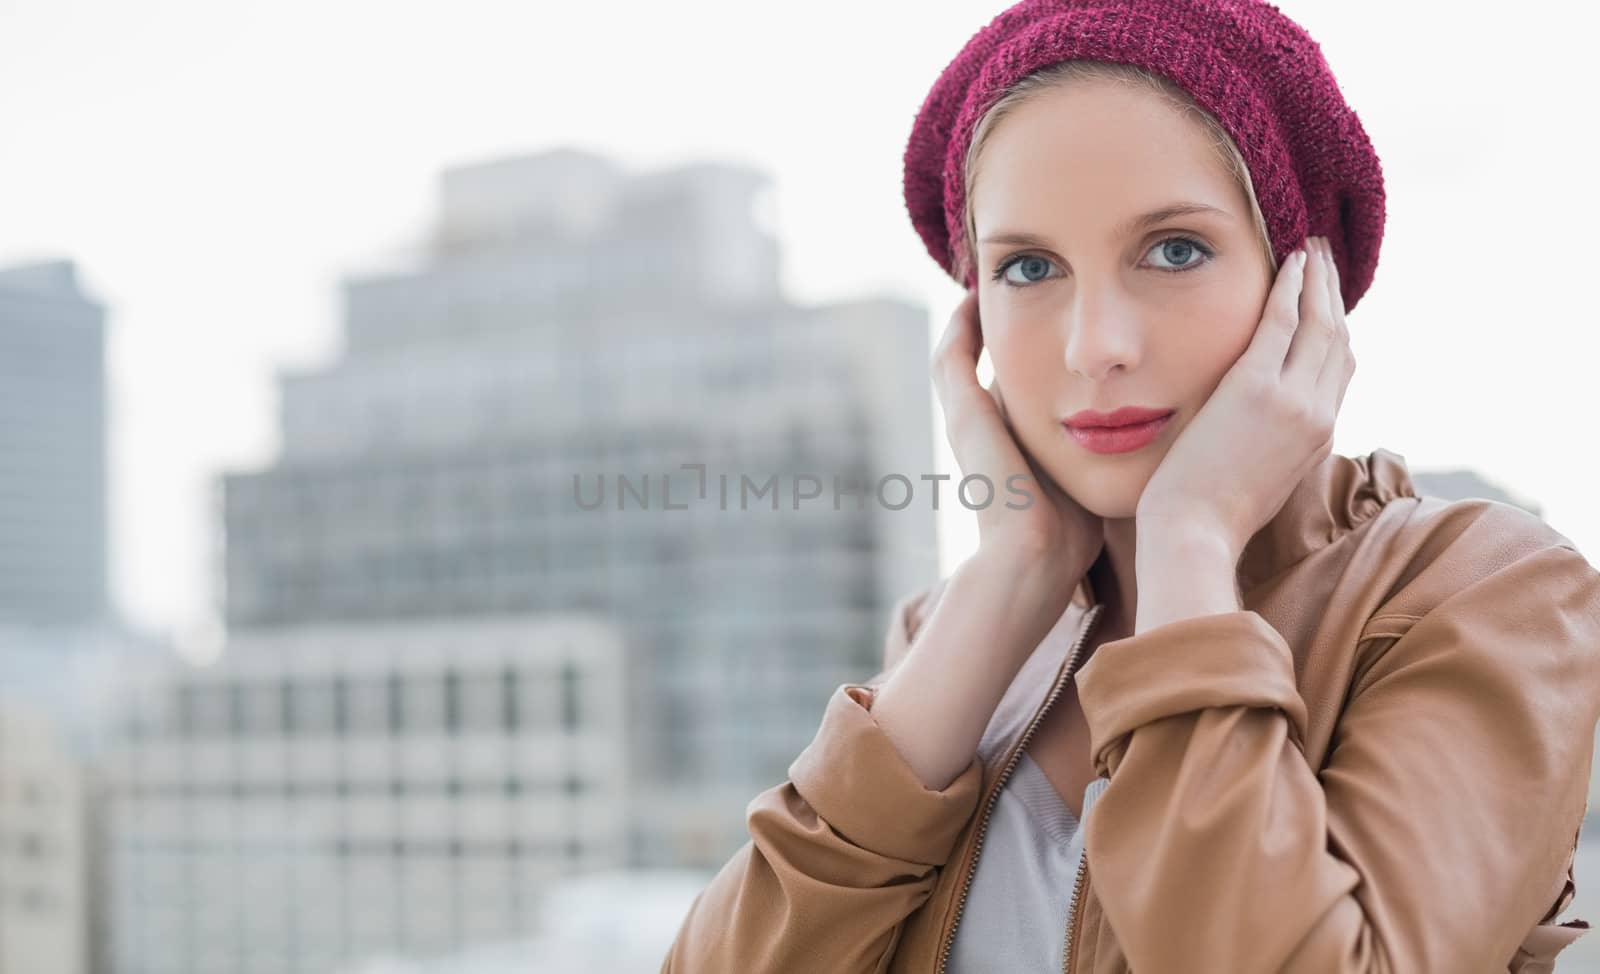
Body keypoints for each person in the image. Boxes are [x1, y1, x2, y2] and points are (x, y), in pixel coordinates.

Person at [661, 1, 1600, 971]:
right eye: (1028, 266)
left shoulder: (1481, 591)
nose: (1094, 345)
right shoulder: (952, 635)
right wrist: (1011, 571)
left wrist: (1190, 540)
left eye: (1174, 250)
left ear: (1301, 287)